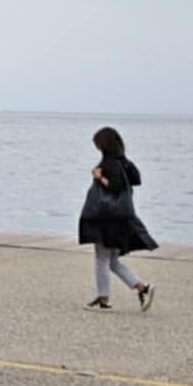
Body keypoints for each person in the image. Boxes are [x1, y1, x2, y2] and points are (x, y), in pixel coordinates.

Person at [79, 126, 157, 311]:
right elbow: (135, 180)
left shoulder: (110, 163)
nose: (96, 147)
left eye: (98, 144)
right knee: (112, 261)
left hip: (107, 218)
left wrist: (99, 177)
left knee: (101, 260)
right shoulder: (124, 162)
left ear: (104, 144)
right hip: (120, 218)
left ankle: (103, 301)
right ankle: (142, 287)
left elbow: (115, 186)